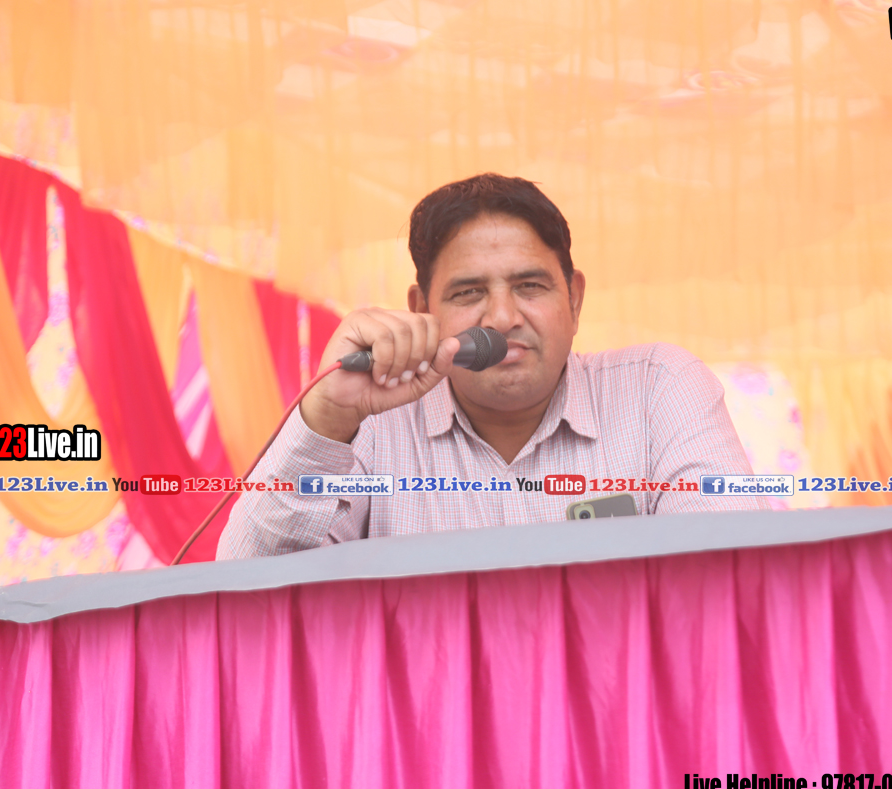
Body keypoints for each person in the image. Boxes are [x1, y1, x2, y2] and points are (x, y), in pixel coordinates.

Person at [217, 174, 766, 559]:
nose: (502, 318)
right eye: (469, 292)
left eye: (530, 286)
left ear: (574, 301)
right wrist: (328, 420)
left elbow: (731, 569)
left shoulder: (658, 389)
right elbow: (248, 587)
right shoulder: (369, 421)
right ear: (421, 311)